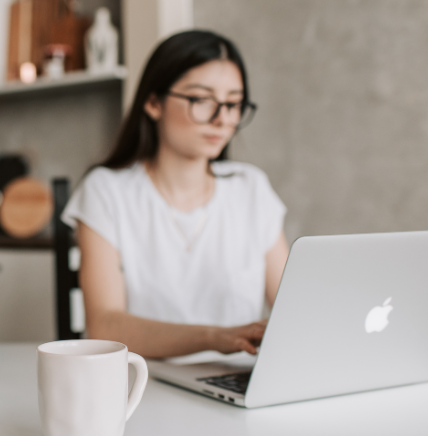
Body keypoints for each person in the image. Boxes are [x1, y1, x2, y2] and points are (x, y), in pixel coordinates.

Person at [61, 30, 290, 359]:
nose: (222, 118)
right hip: (143, 385)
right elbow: (105, 326)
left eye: (234, 103)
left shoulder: (250, 188)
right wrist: (215, 337)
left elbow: (291, 308)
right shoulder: (106, 192)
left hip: (236, 384)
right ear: (154, 103)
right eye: (202, 100)